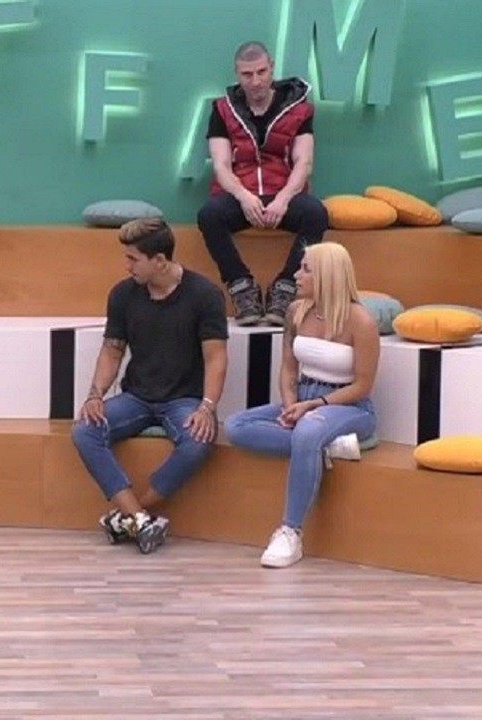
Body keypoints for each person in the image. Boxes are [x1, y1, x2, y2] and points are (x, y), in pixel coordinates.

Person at [72, 218, 229, 554]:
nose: (127, 266)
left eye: (133, 259)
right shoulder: (123, 294)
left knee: (198, 440)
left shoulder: (205, 295)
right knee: (85, 430)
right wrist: (95, 395)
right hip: (137, 397)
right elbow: (112, 350)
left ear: (159, 260)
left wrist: (207, 407)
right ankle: (141, 520)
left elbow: (216, 357)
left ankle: (132, 515)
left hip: (184, 399)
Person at [224, 242, 379, 568]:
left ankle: (290, 532)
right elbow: (288, 369)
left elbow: (363, 386)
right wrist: (291, 405)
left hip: (349, 406)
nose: (296, 275)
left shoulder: (361, 321)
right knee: (236, 426)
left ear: (327, 275)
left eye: (305, 269)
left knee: (309, 430)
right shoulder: (296, 311)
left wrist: (314, 407)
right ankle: (322, 447)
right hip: (304, 398)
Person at [197, 40, 329, 327]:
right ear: (237, 73)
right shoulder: (222, 109)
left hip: (283, 193)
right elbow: (221, 165)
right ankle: (241, 286)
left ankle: (285, 287)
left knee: (316, 214)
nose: (255, 81)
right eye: (247, 74)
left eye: (261, 72)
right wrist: (244, 197)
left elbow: (304, 162)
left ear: (271, 68)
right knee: (209, 215)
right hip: (241, 195)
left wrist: (283, 199)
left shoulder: (299, 109)